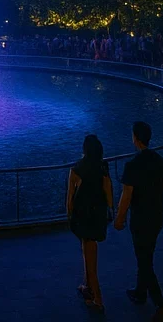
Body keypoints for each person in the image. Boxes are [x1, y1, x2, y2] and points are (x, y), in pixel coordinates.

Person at [114, 121, 163, 322]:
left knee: (144, 260)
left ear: (135, 138)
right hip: (157, 216)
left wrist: (119, 218)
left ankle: (161, 303)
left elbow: (126, 195)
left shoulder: (132, 165)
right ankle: (140, 292)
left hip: (140, 220)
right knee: (146, 254)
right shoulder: (158, 160)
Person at [66, 133, 112, 312]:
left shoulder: (77, 168)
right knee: (88, 251)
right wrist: (111, 210)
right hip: (98, 214)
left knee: (90, 256)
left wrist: (69, 215)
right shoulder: (103, 166)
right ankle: (87, 286)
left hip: (83, 216)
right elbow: (108, 190)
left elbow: (70, 197)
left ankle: (98, 298)